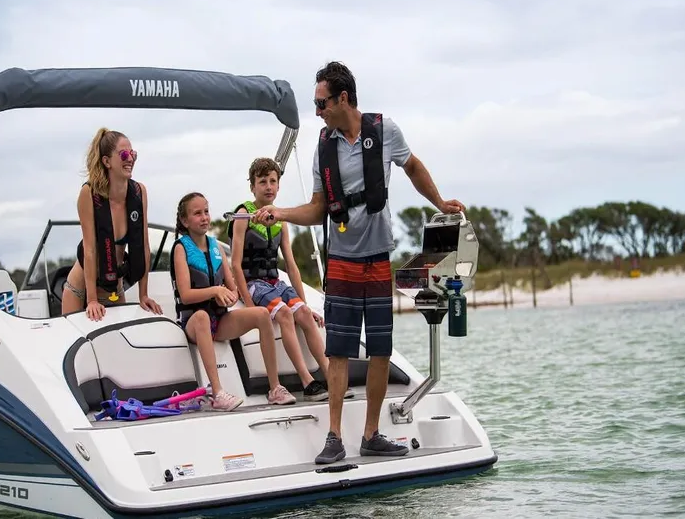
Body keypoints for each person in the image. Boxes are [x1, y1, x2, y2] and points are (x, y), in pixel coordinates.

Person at [253, 61, 466, 464]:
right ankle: (333, 437)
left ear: (343, 98)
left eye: (321, 103)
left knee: (381, 350)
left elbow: (413, 167)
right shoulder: (324, 147)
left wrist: (439, 202)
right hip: (342, 262)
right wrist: (280, 213)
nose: (317, 111)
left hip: (378, 260)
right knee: (339, 352)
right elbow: (319, 209)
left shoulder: (385, 131)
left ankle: (371, 434)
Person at [171, 192, 297, 409]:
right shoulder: (181, 249)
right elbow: (186, 295)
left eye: (206, 212)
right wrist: (214, 292)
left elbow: (232, 288)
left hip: (219, 320)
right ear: (184, 221)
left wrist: (229, 296)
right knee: (201, 316)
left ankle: (275, 388)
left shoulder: (216, 247)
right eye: (197, 213)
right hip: (194, 322)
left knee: (262, 314)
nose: (204, 217)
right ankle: (217, 393)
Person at [228, 157, 333, 402]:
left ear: (278, 185)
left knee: (304, 314)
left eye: (273, 181)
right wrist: (249, 305)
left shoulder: (280, 221)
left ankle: (331, 375)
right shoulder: (243, 216)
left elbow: (292, 266)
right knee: (285, 314)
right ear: (252, 187)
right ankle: (307, 381)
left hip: (275, 282)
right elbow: (235, 264)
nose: (268, 186)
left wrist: (305, 303)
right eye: (262, 181)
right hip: (254, 284)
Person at [62, 127, 163, 321]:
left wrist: (143, 295)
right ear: (106, 161)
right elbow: (90, 249)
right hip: (81, 289)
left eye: (133, 154)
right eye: (124, 154)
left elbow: (143, 246)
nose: (130, 159)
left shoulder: (139, 192)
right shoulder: (89, 194)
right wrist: (91, 300)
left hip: (113, 289)